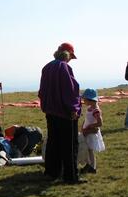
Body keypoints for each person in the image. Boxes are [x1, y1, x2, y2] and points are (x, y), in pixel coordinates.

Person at [38, 42, 84, 184]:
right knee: (69, 145)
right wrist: (74, 109)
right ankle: (71, 176)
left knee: (53, 143)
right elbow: (70, 90)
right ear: (67, 54)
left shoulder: (47, 67)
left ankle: (52, 172)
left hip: (50, 112)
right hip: (65, 114)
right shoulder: (64, 67)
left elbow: (42, 91)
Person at [80, 88, 105, 173]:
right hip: (86, 132)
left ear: (90, 100)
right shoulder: (90, 108)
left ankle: (92, 167)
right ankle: (89, 165)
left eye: (85, 99)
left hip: (91, 133)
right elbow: (87, 119)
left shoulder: (96, 111)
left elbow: (100, 123)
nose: (83, 101)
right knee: (86, 149)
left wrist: (90, 126)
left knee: (89, 150)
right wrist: (83, 126)